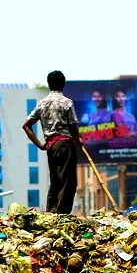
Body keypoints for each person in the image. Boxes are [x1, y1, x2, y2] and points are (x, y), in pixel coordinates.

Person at [23, 70, 82, 214]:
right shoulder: (66, 102)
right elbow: (73, 125)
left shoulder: (42, 104)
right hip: (65, 145)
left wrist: (40, 145)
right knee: (68, 182)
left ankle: (51, 212)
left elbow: (26, 125)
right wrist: (78, 139)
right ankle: (61, 214)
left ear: (49, 85)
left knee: (55, 180)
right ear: (63, 84)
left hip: (51, 146)